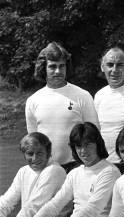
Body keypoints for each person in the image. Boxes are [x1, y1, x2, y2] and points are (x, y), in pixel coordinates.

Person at [25, 42, 99, 172]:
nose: (58, 71)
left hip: (78, 167)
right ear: (44, 68)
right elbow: (33, 142)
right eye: (52, 67)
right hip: (46, 168)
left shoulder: (82, 95)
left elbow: (94, 135)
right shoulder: (33, 100)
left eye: (62, 66)